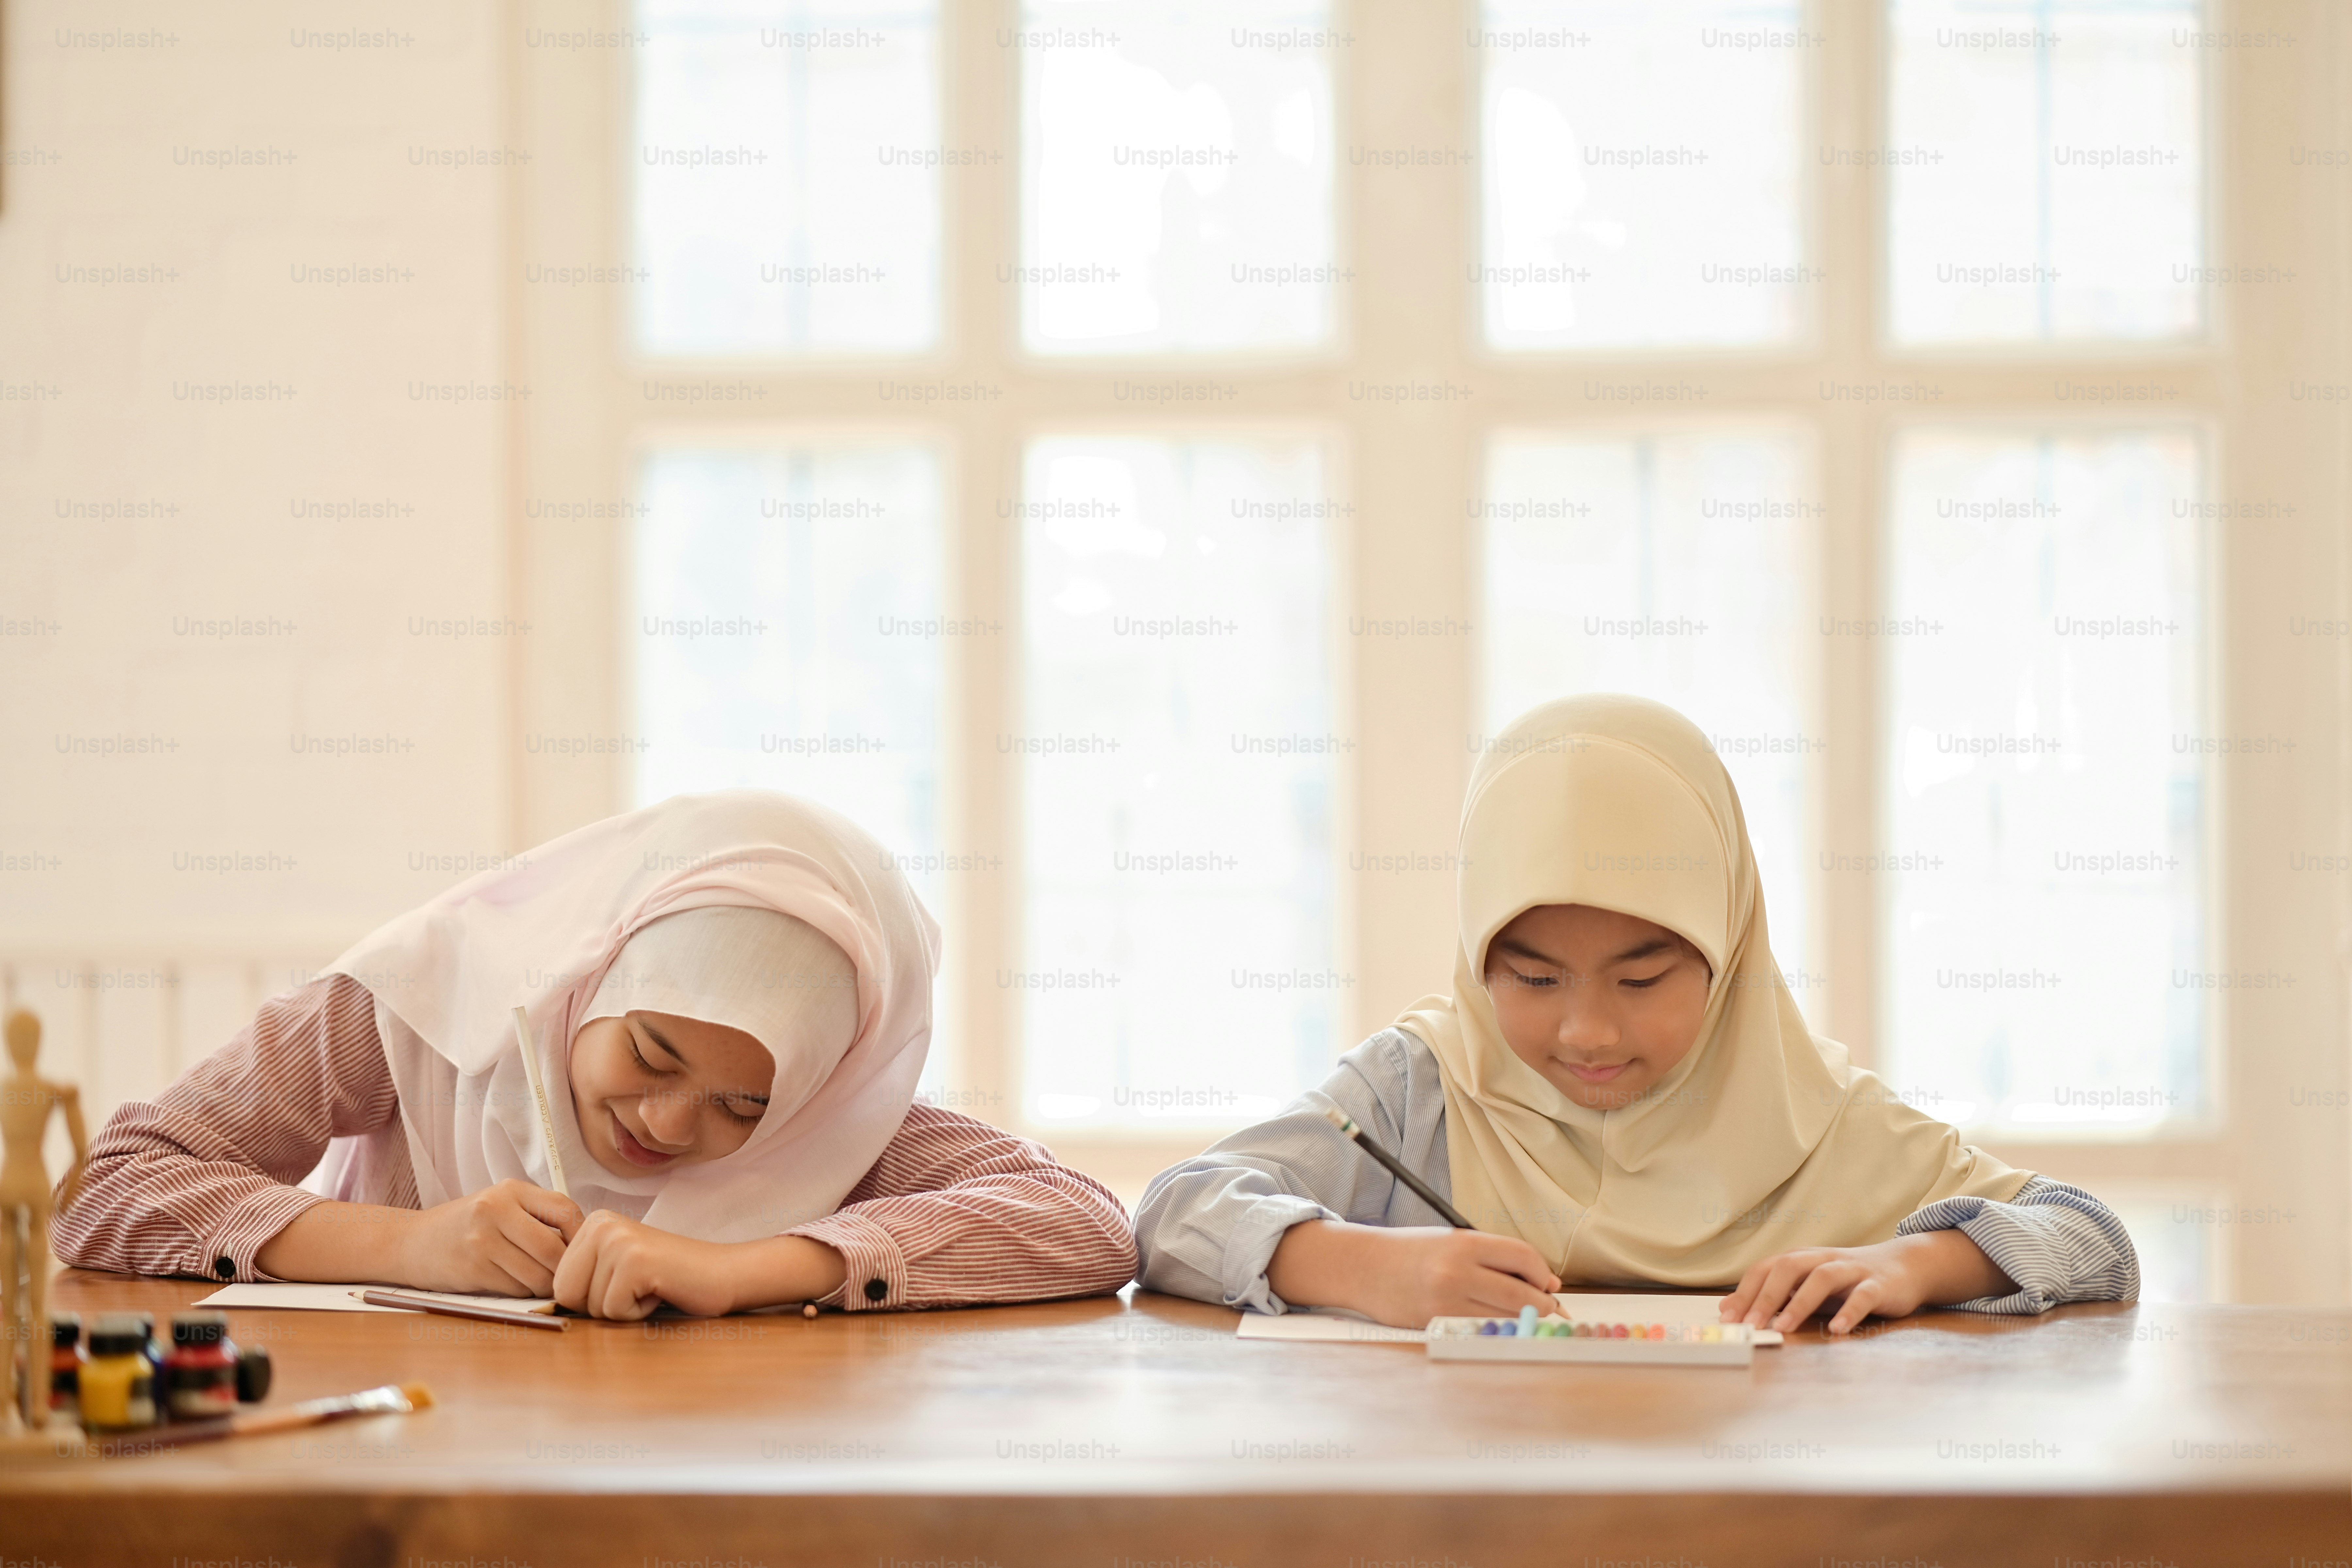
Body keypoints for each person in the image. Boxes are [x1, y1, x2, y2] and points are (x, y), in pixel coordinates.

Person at [1136, 694, 2137, 1333]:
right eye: (1534, 981)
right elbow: (1176, 1212)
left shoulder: (1815, 1113)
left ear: (1726, 949)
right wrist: (1357, 1265)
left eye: (1643, 979)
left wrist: (1918, 1262)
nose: (1588, 1033)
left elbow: (2092, 1237)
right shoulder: (1423, 1088)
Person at [57, 791, 1137, 1320]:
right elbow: (112, 1189)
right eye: (652, 1052)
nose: (669, 1124)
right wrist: (414, 1245)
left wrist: (742, 1269)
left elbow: (1085, 1223)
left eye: (741, 1107)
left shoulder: (827, 1123)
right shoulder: (418, 1005)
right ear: (594, 968)